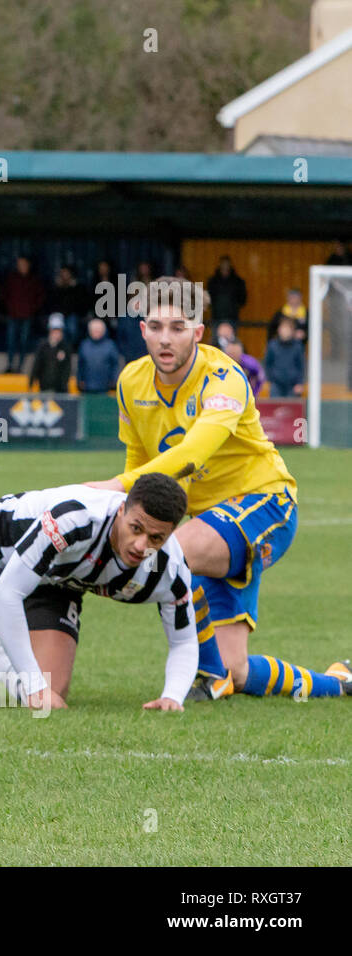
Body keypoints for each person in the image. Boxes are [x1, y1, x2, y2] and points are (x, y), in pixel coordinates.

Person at [88, 277, 347, 701]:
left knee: (171, 553)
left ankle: (206, 678)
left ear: (198, 332)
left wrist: (113, 488)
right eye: (155, 326)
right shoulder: (130, 383)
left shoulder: (225, 376)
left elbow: (193, 452)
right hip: (211, 523)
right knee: (239, 669)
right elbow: (140, 464)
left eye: (178, 327)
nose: (165, 339)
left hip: (266, 504)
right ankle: (337, 683)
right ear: (142, 330)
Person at [0, 474, 199, 711]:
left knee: (54, 694)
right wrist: (33, 686)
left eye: (156, 538)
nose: (142, 546)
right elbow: (5, 596)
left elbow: (184, 640)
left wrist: (172, 696)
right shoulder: (75, 521)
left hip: (56, 577)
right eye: (136, 529)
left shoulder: (167, 567)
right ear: (121, 512)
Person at [2, 255, 45, 374]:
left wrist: (32, 309)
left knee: (23, 342)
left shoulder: (34, 279)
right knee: (10, 341)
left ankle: (20, 367)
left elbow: (40, 297)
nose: (22, 266)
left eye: (24, 264)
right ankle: (10, 365)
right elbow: (4, 294)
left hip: (27, 316)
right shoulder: (12, 278)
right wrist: (9, 308)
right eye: (20, 264)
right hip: (13, 315)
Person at [76, 317, 122, 393]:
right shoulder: (84, 345)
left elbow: (115, 365)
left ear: (103, 331)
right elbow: (80, 365)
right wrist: (79, 380)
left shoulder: (110, 345)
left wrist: (114, 380)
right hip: (87, 387)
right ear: (89, 331)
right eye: (94, 330)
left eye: (98, 330)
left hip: (105, 388)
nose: (96, 332)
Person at [28, 314, 71, 393]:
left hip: (60, 389)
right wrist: (31, 382)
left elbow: (67, 368)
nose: (56, 334)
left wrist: (64, 385)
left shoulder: (65, 347)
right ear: (50, 331)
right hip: (44, 387)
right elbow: (36, 364)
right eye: (54, 331)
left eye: (58, 331)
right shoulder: (43, 345)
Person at [264, 316, 305, 398]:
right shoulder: (272, 345)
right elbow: (268, 364)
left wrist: (299, 383)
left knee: (291, 409)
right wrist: (270, 380)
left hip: (292, 386)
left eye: (287, 329)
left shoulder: (298, 346)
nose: (284, 331)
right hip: (276, 385)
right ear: (278, 330)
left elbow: (301, 366)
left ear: (292, 331)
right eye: (282, 328)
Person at [47, 264, 87, 346]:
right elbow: (52, 301)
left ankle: (70, 348)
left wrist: (72, 287)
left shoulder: (77, 287)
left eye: (67, 273)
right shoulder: (56, 287)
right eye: (63, 273)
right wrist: (59, 287)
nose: (65, 275)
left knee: (73, 331)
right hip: (58, 314)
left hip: (72, 313)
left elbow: (80, 301)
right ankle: (61, 349)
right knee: (59, 333)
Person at [206, 255, 247, 329]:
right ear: (220, 265)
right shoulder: (213, 281)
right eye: (223, 264)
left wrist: (234, 307)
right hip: (216, 317)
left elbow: (242, 299)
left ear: (230, 265)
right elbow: (208, 298)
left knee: (231, 339)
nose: (225, 266)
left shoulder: (238, 281)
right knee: (216, 339)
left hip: (232, 318)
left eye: (227, 264)